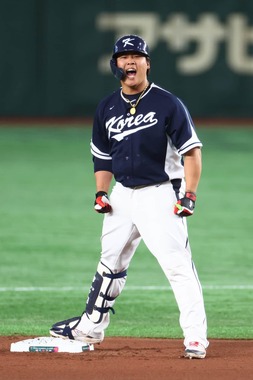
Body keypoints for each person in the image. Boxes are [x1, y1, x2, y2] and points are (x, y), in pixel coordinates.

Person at [50, 34, 209, 359]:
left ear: (147, 63)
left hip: (160, 194)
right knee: (109, 264)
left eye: (137, 56)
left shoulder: (167, 103)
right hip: (121, 196)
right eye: (124, 57)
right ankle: (90, 328)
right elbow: (102, 157)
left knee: (177, 266)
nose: (131, 62)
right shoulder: (107, 107)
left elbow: (191, 151)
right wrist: (101, 192)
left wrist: (189, 194)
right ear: (116, 65)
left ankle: (195, 338)